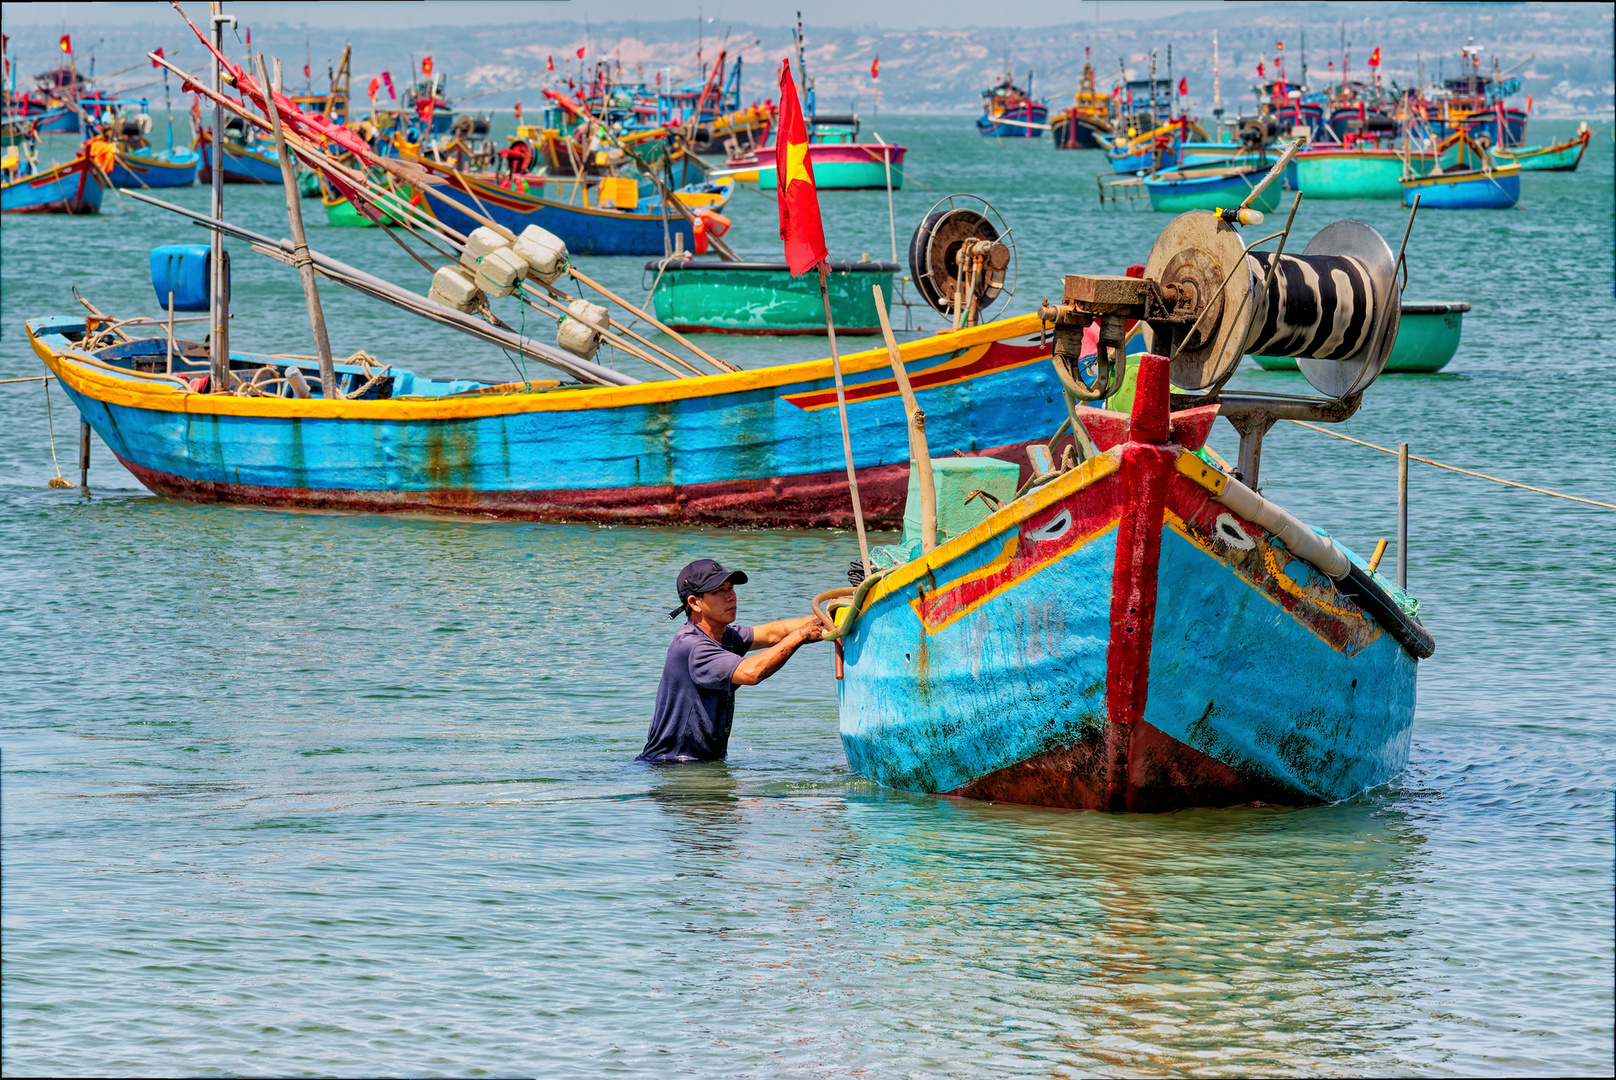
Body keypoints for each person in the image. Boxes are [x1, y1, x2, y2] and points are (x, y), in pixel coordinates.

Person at [637, 558, 824, 763]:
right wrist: (800, 636)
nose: (731, 597)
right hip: (673, 766)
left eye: (731, 588)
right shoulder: (694, 647)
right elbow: (751, 672)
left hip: (700, 765)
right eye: (719, 591)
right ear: (694, 602)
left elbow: (773, 633)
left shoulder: (724, 635)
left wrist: (834, 614)